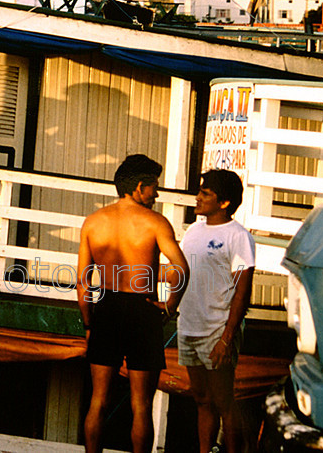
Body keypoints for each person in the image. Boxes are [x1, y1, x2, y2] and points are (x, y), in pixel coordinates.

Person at [76, 154, 189, 453]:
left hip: (108, 307)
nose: (157, 194)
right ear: (139, 187)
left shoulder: (93, 222)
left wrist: (89, 322)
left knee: (98, 400)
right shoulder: (155, 222)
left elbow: (83, 282)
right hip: (143, 310)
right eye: (154, 187)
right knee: (141, 405)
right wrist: (169, 306)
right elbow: (180, 269)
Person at [177, 169, 254, 453]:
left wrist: (226, 337)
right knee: (201, 399)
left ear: (224, 202)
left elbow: (242, 291)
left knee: (224, 402)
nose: (198, 197)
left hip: (217, 330)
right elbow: (182, 274)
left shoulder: (238, 236)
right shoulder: (193, 230)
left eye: (205, 194)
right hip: (188, 327)